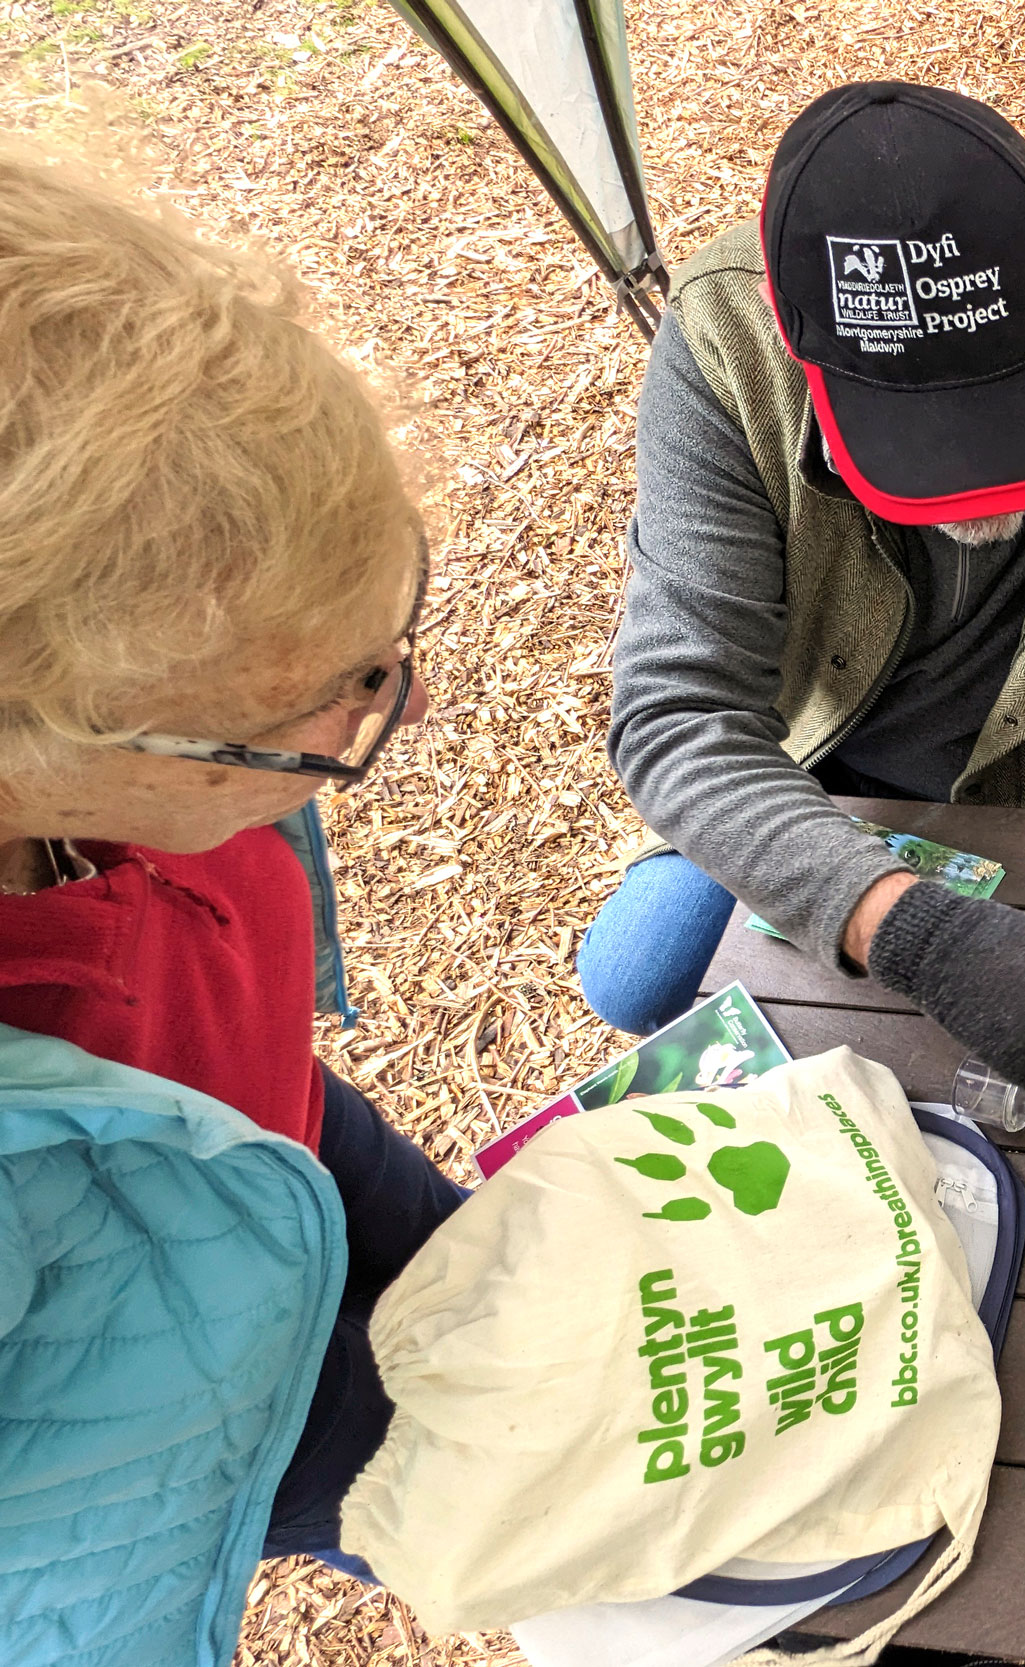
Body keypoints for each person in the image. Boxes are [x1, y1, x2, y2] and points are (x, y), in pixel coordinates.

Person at [584, 81, 1025, 1095]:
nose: (970, 494)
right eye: (913, 440)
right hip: (835, 777)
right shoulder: (723, 350)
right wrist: (911, 931)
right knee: (633, 971)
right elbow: (677, 714)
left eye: (1007, 412)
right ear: (789, 338)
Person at [0, 152, 462, 1659]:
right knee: (449, 1482)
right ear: (46, 737)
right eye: (313, 715)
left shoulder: (139, 731)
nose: (369, 714)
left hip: (275, 1121)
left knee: (493, 1282)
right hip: (181, 1360)